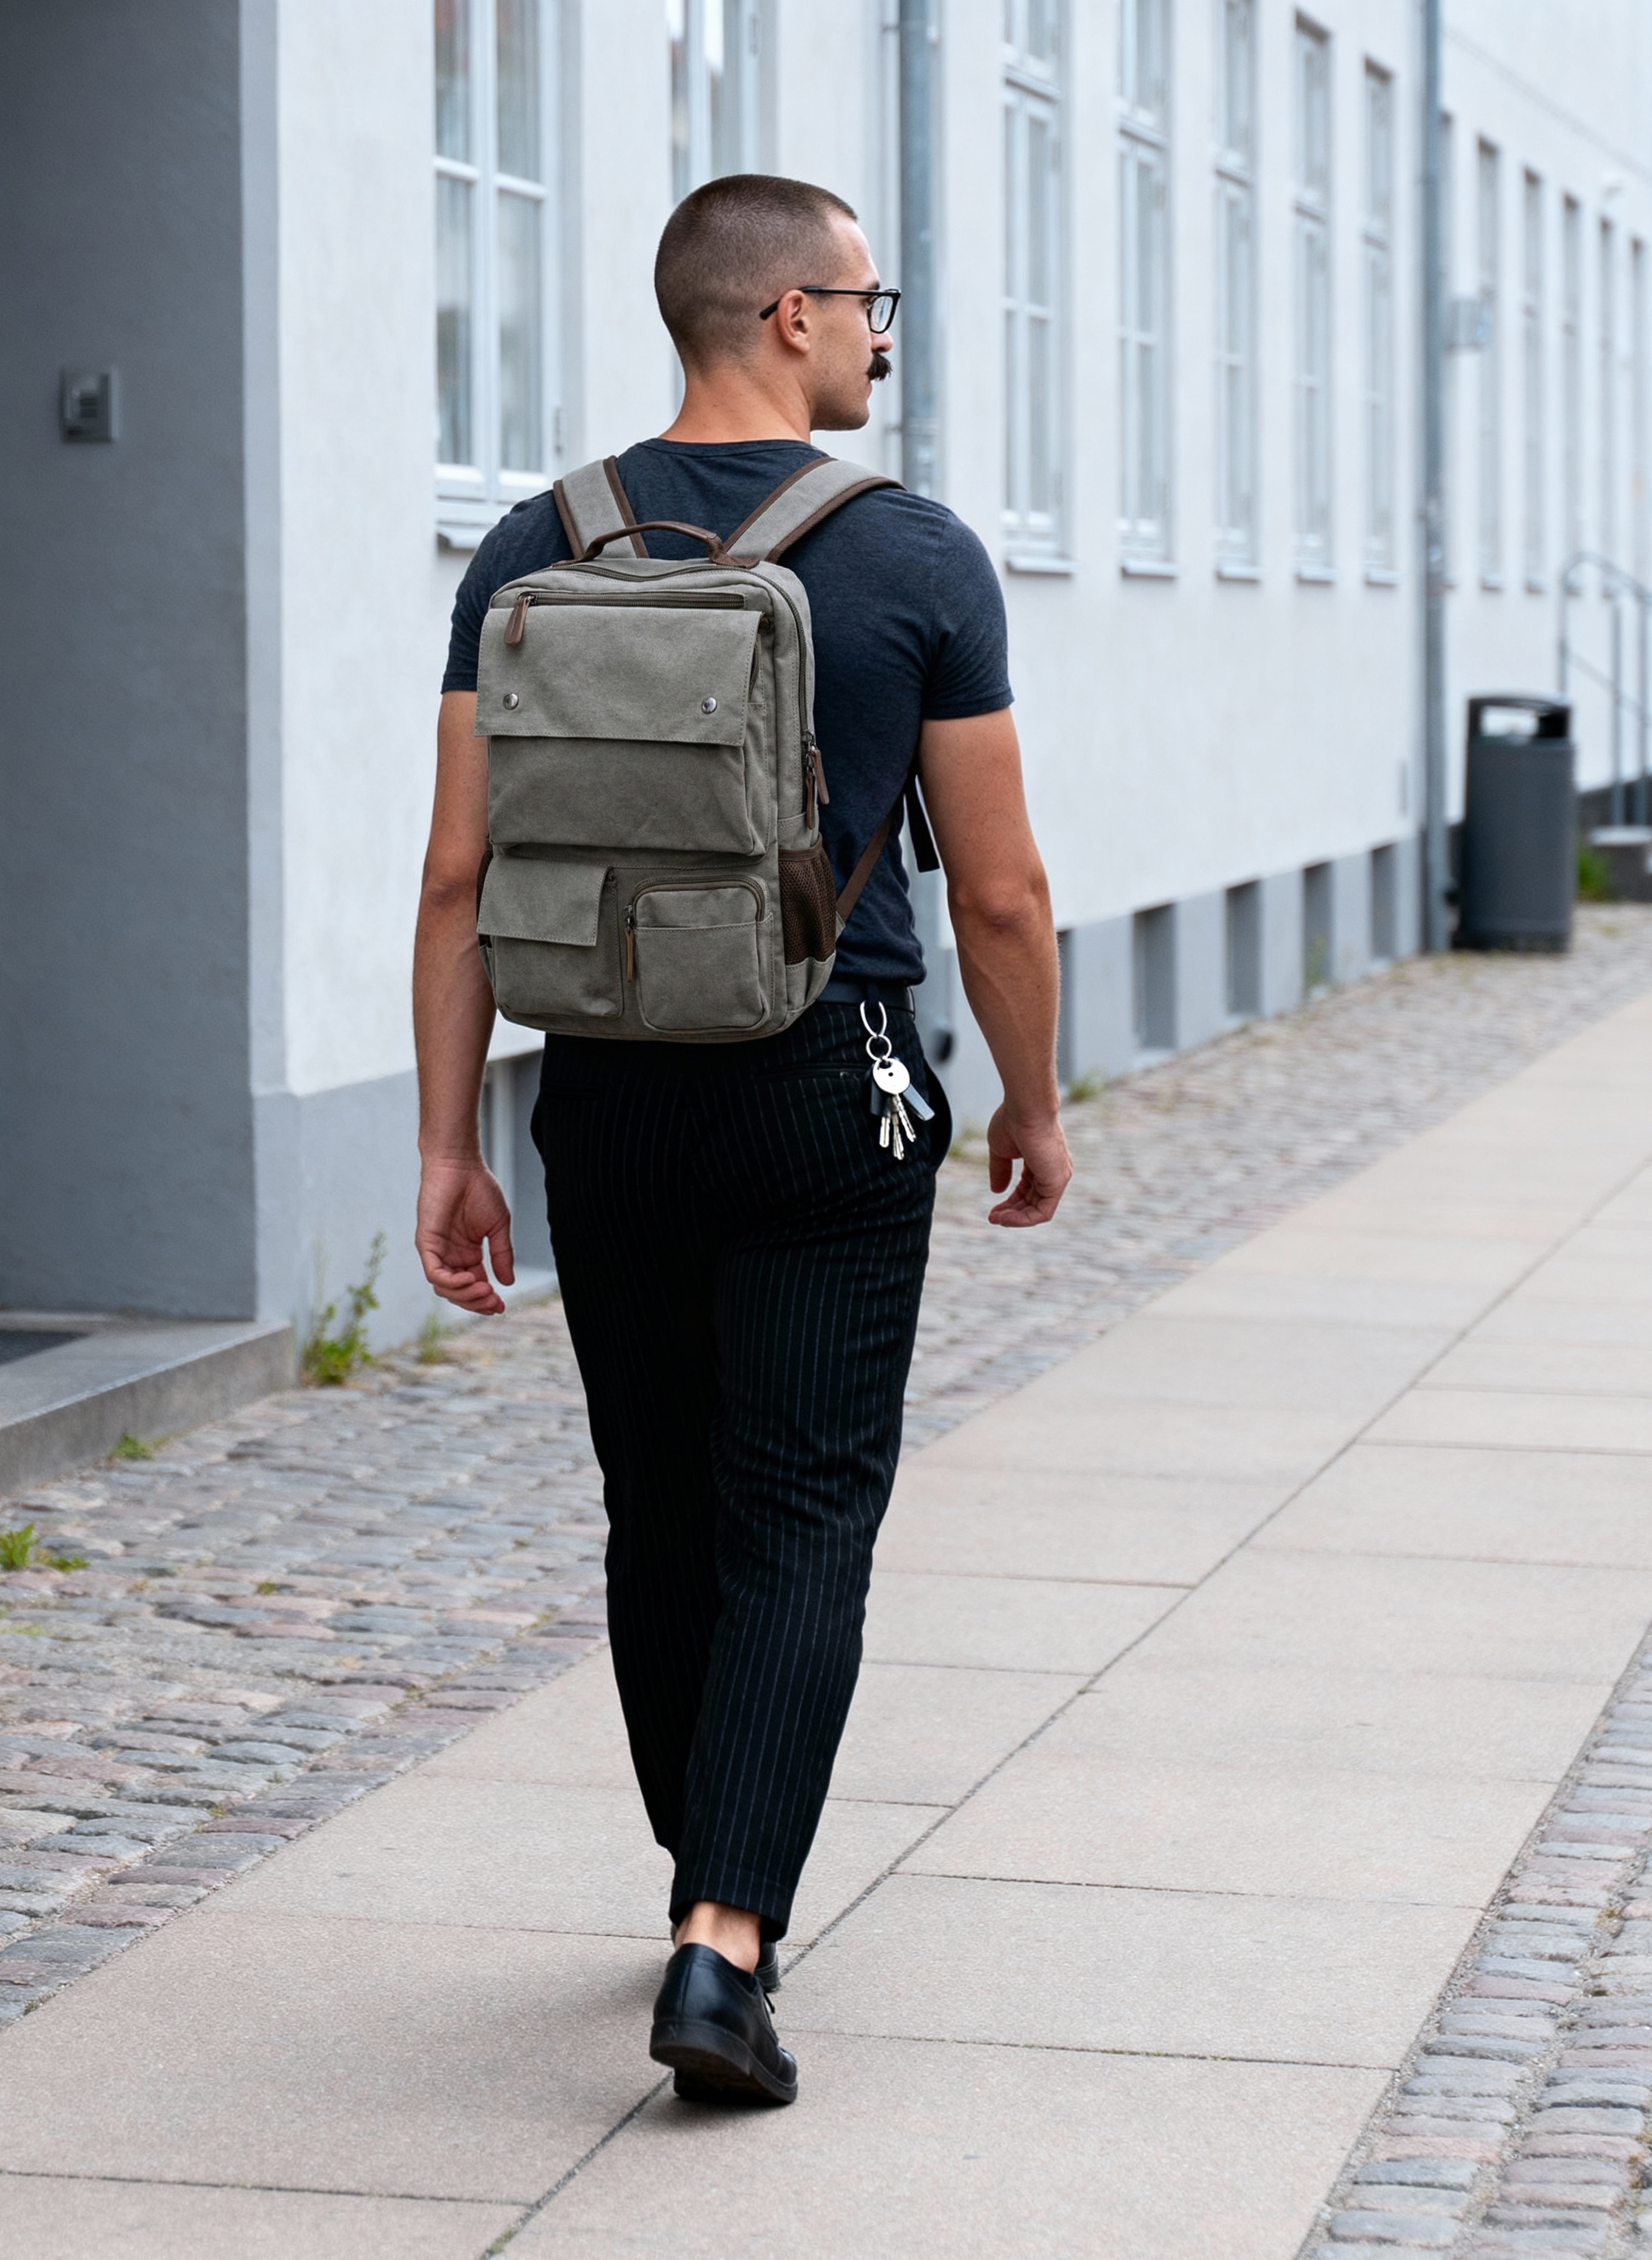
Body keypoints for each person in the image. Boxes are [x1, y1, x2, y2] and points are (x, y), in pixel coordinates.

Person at [412, 173, 1070, 2106]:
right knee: (800, 1513)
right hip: (824, 1081)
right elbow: (1008, 896)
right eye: (870, 300)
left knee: (662, 1503)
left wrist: (452, 1142)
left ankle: (705, 1867)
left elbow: (461, 874)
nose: (883, 333)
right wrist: (1033, 1104)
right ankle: (725, 1940)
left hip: (601, 1087)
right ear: (787, 315)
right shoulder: (917, 559)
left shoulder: (536, 543)